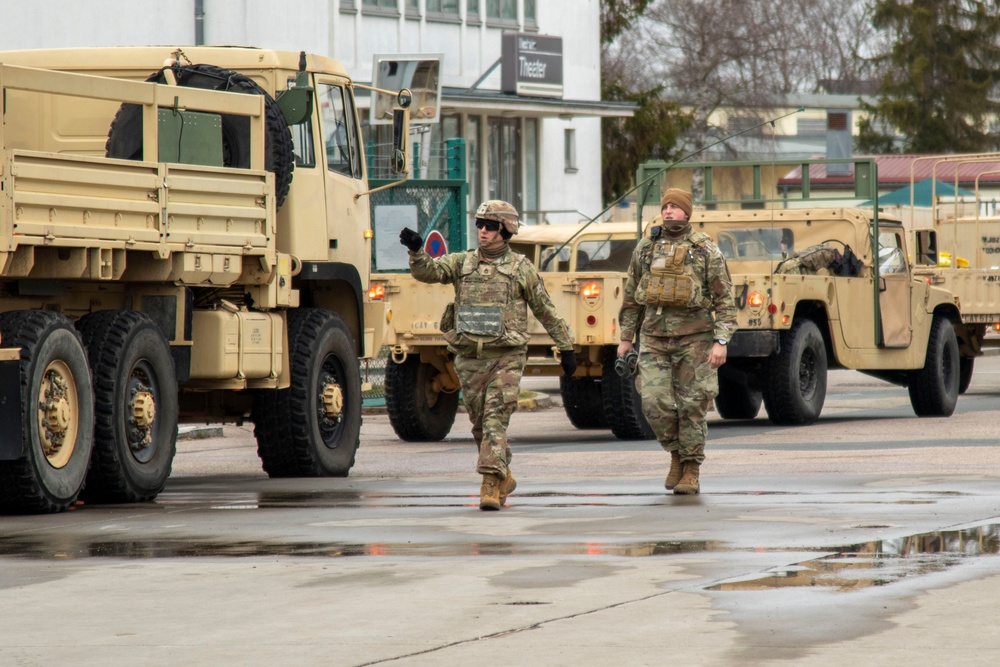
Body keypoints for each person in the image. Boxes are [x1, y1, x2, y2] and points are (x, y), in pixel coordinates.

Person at [399, 200, 577, 511]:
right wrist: (416, 251)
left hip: (506, 356)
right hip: (469, 358)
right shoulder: (462, 263)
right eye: (480, 224)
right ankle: (503, 473)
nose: (483, 230)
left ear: (505, 230)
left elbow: (545, 310)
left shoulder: (521, 269)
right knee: (480, 426)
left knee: (495, 421)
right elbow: (428, 272)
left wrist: (566, 347)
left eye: (490, 225)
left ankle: (490, 485)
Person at [616, 188, 737, 495]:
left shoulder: (705, 250)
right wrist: (626, 338)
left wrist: (721, 341)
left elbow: (725, 301)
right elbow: (632, 296)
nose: (668, 211)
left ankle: (691, 468)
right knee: (654, 402)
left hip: (695, 340)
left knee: (692, 405)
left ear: (687, 213)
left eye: (674, 206)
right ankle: (675, 454)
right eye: (665, 206)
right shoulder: (646, 248)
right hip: (654, 338)